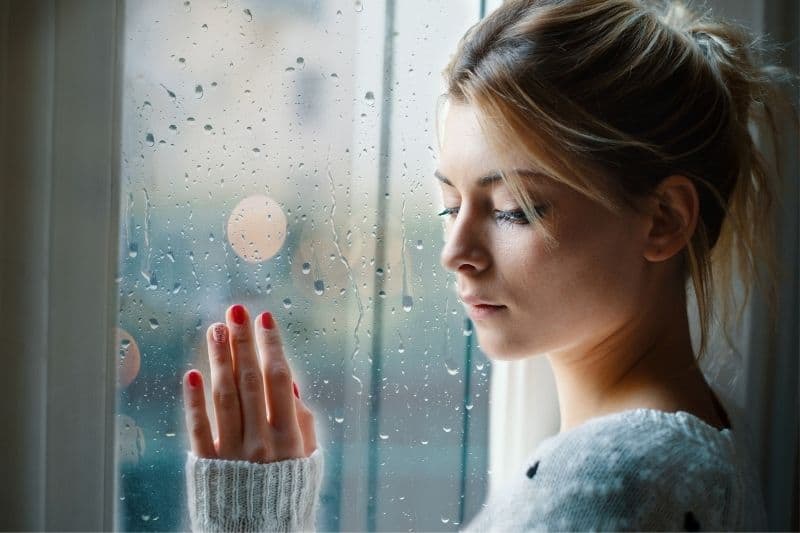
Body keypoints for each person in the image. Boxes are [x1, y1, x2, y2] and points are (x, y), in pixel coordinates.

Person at [181, 0, 796, 530]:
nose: (455, 253)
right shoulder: (699, 438)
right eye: (451, 206)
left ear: (663, 219)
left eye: (514, 210)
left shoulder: (612, 487)